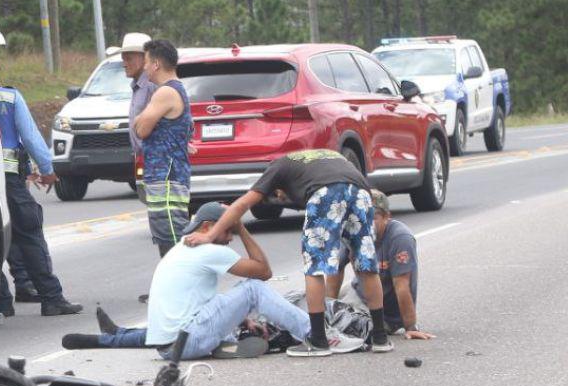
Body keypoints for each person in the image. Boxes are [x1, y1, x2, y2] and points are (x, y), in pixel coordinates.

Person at [60, 203, 356, 359]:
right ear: (207, 227)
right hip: (186, 341)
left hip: (169, 347)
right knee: (252, 289)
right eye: (226, 232)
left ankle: (224, 341)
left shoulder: (182, 249)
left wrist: (239, 320)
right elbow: (263, 272)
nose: (229, 239)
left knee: (239, 306)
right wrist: (240, 226)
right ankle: (318, 335)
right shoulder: (207, 248)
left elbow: (199, 301)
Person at [185, 148, 394, 356]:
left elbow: (242, 204)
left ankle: (319, 340)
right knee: (365, 264)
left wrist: (209, 236)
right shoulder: (320, 157)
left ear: (276, 187)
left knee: (314, 267)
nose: (283, 199)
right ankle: (380, 338)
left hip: (326, 192)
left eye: (279, 196)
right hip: (362, 193)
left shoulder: (277, 167)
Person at [0, 49, 82, 318]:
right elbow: (31, 137)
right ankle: (52, 298)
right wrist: (48, 170)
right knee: (29, 234)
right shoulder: (10, 96)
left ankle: (2, 303)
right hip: (10, 181)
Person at [327, 189, 432, 339]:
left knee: (340, 324)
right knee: (312, 304)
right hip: (358, 291)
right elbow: (335, 270)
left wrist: (411, 326)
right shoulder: (354, 231)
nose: (367, 223)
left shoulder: (400, 238)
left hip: (383, 311)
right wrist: (327, 308)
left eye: (373, 217)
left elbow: (402, 286)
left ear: (386, 217)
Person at [133, 39, 192, 256]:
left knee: (171, 237)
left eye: (147, 62)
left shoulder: (165, 92)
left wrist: (140, 118)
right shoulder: (175, 89)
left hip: (166, 176)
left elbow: (140, 129)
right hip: (169, 174)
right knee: (167, 234)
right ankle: (170, 288)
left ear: (156, 64)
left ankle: (176, 288)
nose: (144, 67)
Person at [117, 32, 156, 154]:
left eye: (128, 59)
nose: (124, 64)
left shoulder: (152, 84)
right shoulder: (138, 85)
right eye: (123, 59)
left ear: (145, 58)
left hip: (154, 157)